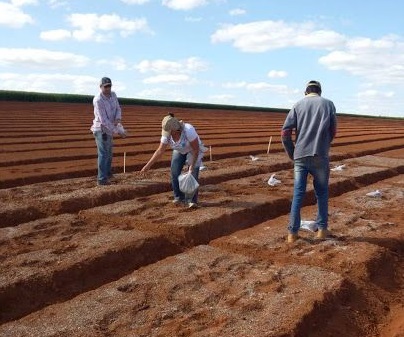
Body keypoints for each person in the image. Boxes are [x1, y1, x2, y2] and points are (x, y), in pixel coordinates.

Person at [281, 80, 337, 243]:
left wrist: (292, 153)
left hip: (300, 156)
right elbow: (333, 130)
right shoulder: (328, 104)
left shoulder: (298, 105)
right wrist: (324, 144)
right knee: (322, 193)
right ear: (320, 92)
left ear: (306, 92)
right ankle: (321, 230)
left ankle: (292, 233)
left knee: (298, 194)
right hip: (320, 155)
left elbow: (285, 133)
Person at [141, 113, 205, 209]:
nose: (167, 133)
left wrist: (191, 167)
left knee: (193, 174)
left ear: (175, 129)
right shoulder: (166, 136)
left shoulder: (188, 130)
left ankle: (192, 201)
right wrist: (147, 166)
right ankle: (178, 197)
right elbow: (160, 151)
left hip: (192, 150)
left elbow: (196, 149)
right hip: (179, 149)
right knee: (174, 172)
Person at [90, 77, 126, 186]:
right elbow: (103, 120)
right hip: (101, 130)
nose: (108, 88)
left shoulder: (113, 95)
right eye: (105, 86)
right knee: (103, 154)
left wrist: (118, 118)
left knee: (109, 153)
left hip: (109, 129)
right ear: (100, 87)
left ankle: (108, 174)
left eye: (109, 86)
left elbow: (118, 108)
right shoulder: (98, 100)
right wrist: (118, 131)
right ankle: (101, 179)